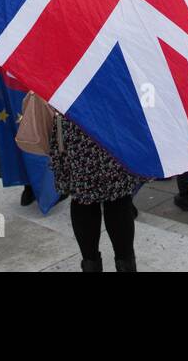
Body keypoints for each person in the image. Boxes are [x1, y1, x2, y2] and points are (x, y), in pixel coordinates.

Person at [50, 111, 145, 272]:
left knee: (84, 197)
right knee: (117, 197)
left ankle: (91, 265)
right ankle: (125, 265)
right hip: (109, 118)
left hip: (75, 116)